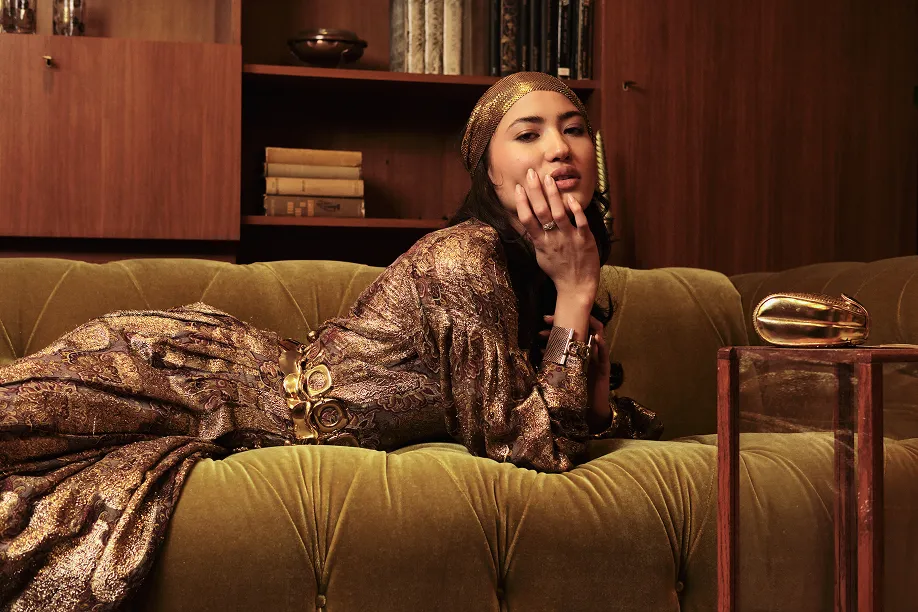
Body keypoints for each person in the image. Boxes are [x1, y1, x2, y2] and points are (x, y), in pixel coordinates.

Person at [0, 72, 661, 610]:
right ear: (486, 170)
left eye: (575, 128)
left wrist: (592, 372)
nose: (559, 148)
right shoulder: (464, 256)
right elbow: (529, 445)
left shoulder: (538, 273)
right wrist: (576, 292)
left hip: (227, 400)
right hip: (190, 375)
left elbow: (546, 431)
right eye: (529, 133)